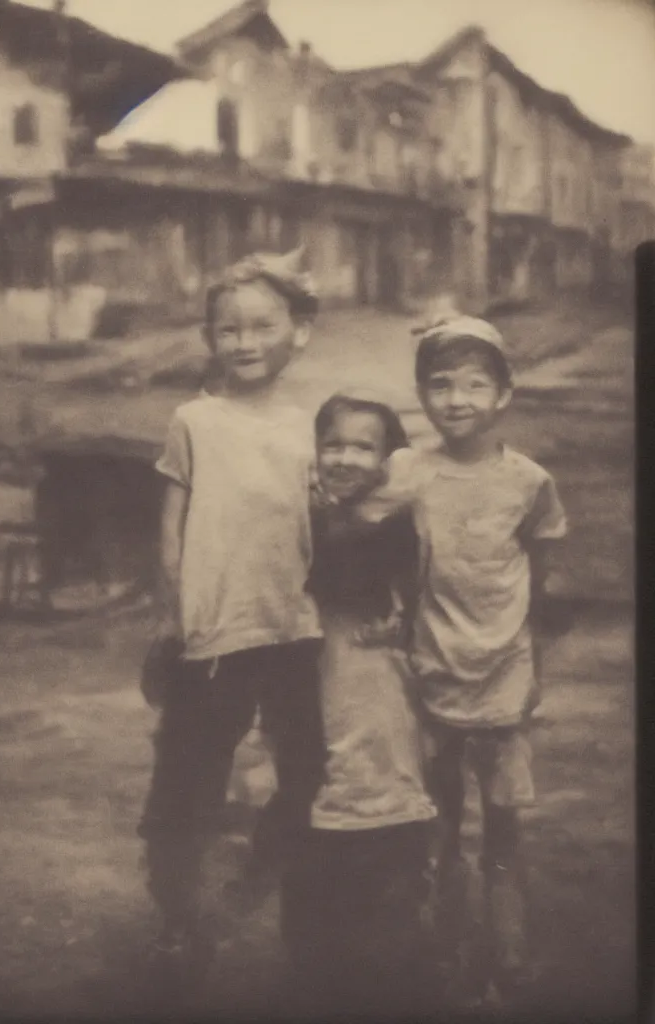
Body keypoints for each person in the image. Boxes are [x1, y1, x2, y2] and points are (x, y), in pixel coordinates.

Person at [136, 249, 327, 983]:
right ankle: (180, 920)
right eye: (228, 330)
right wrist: (174, 611)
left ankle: (273, 879)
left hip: (295, 630)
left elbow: (330, 524)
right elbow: (172, 524)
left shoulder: (315, 428)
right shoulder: (194, 420)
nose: (245, 343)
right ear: (211, 338)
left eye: (262, 326)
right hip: (211, 633)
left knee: (308, 772)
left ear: (298, 332)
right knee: (186, 778)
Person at [381, 316, 568, 1006]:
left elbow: (539, 573)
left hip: (505, 681)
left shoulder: (528, 481)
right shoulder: (409, 474)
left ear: (504, 393)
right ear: (422, 394)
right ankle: (442, 948)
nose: (456, 400)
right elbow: (378, 548)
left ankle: (508, 951)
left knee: (504, 830)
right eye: (440, 385)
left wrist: (533, 665)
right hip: (429, 675)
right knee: (435, 824)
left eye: (474, 385)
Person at [280, 391, 438, 1017]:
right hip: (318, 757)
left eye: (363, 446)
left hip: (384, 751)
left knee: (390, 909)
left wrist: (391, 486)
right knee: (316, 913)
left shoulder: (389, 524)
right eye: (332, 443)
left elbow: (360, 565)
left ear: (389, 459)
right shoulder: (308, 520)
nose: (343, 457)